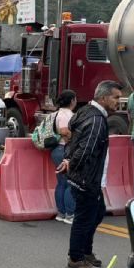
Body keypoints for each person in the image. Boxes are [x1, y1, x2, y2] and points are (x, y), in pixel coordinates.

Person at [62, 80, 123, 268]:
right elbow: (85, 149)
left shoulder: (86, 111)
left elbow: (72, 135)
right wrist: (74, 166)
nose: (118, 102)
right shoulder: (96, 119)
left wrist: (69, 161)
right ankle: (76, 259)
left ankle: (85, 252)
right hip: (87, 179)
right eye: (115, 97)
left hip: (88, 177)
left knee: (96, 213)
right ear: (103, 98)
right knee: (84, 218)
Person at [50, 90, 77, 224]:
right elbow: (64, 131)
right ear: (72, 100)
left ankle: (61, 213)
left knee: (61, 183)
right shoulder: (67, 115)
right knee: (70, 183)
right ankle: (69, 214)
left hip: (57, 150)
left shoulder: (56, 113)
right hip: (65, 150)